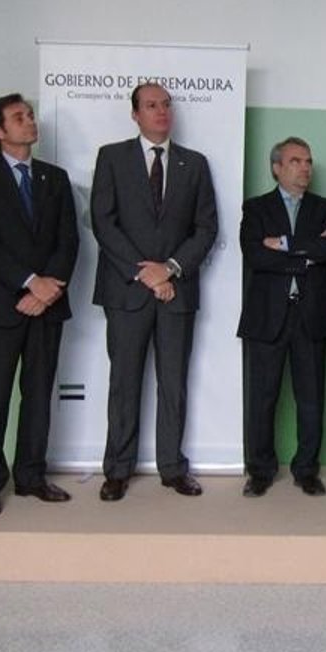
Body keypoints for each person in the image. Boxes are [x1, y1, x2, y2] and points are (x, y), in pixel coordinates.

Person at [91, 82, 219, 501]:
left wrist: (170, 269)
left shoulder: (194, 163)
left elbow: (206, 227)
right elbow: (103, 222)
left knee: (173, 383)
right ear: (135, 114)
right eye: (151, 105)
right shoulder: (111, 157)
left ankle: (172, 468)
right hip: (126, 292)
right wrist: (144, 273)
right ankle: (117, 469)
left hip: (176, 291)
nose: (161, 111)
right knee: (124, 383)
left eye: (166, 104)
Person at [0, 93, 79, 516]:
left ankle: (31, 476)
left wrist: (48, 290)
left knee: (38, 395)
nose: (30, 121)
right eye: (19, 117)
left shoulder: (55, 178)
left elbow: (68, 240)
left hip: (48, 305)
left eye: (30, 115)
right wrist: (30, 283)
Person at [238, 137, 326, 497]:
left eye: (308, 161)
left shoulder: (325, 207)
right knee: (262, 398)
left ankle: (307, 470)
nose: (305, 168)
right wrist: (306, 254)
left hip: (311, 314)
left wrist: (282, 244)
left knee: (311, 398)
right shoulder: (256, 208)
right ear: (277, 168)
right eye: (296, 161)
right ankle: (260, 470)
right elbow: (255, 255)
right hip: (267, 316)